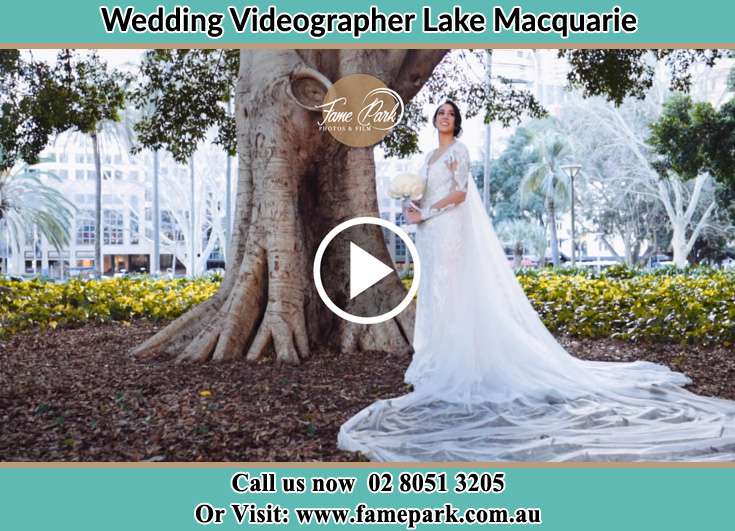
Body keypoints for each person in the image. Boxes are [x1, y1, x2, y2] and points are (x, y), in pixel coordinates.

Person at [337, 100, 735, 461]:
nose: (444, 117)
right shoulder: (429, 155)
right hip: (429, 232)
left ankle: (462, 356)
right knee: (438, 293)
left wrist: (430, 213)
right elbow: (427, 192)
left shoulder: (459, 152)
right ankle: (437, 350)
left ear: (457, 123)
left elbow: (458, 195)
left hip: (449, 228)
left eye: (450, 114)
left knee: (455, 290)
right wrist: (413, 205)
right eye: (440, 113)